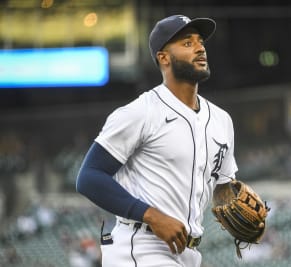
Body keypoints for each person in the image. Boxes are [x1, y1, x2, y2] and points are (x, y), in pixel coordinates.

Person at [76, 14, 239, 267]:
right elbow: (88, 177)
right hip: (141, 246)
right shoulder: (141, 112)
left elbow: (223, 188)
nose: (199, 47)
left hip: (189, 252)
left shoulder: (222, 120)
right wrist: (152, 216)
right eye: (187, 43)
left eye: (200, 42)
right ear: (163, 58)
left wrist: (240, 205)